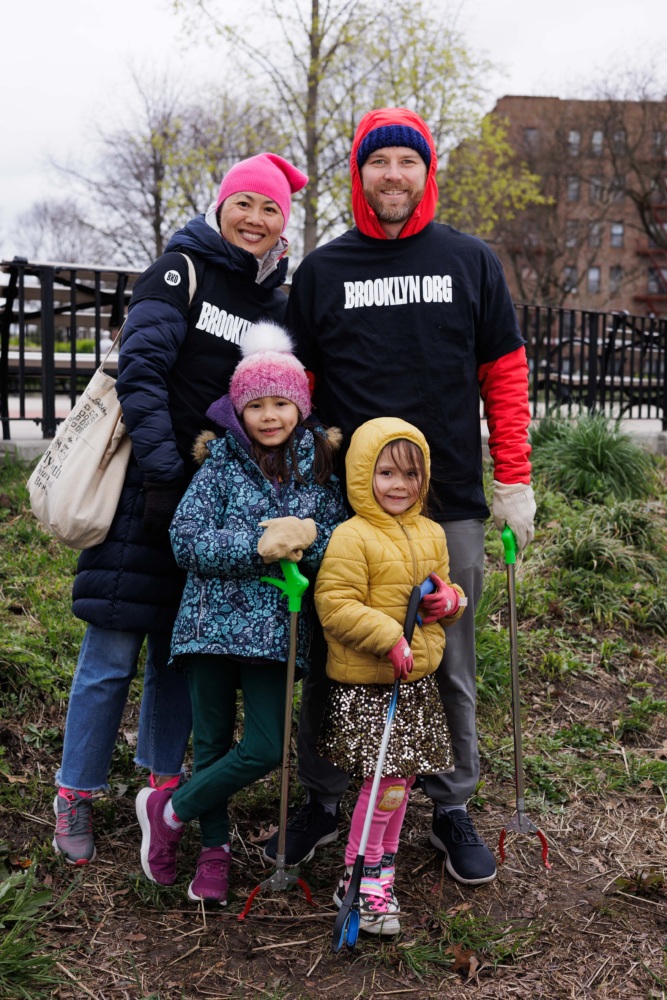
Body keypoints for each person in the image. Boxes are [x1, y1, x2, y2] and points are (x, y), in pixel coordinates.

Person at [263, 108, 536, 886]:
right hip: (344, 508)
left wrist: (511, 478)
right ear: (360, 172)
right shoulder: (321, 272)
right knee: (331, 651)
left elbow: (504, 376)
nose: (391, 175)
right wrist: (286, 487)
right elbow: (296, 392)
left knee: (446, 657)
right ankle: (323, 796)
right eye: (377, 161)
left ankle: (448, 805)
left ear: (426, 173)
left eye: (405, 162)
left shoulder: (469, 261)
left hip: (445, 500)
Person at [52, 154, 309, 866]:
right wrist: (164, 471)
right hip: (148, 489)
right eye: (245, 204)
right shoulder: (178, 270)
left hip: (215, 501)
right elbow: (142, 370)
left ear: (283, 224)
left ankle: (162, 789)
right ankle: (75, 791)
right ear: (221, 206)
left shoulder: (274, 300)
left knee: (177, 654)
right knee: (109, 651)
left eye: (271, 210)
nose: (255, 220)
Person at [134, 323, 347, 905]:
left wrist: (308, 537)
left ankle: (169, 808)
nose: (270, 415)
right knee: (211, 743)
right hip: (208, 625)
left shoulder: (321, 467)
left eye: (281, 403)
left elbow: (334, 540)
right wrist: (257, 546)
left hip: (278, 630)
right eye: (256, 405)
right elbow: (186, 539)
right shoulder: (220, 464)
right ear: (238, 408)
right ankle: (214, 851)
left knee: (263, 746)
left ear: (300, 405)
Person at [315, 417, 466, 935]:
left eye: (409, 474)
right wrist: (388, 637)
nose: (398, 485)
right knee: (382, 783)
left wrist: (451, 601)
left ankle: (382, 866)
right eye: (385, 473)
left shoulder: (431, 532)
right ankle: (358, 875)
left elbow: (443, 594)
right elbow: (334, 604)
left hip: (415, 683)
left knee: (398, 783)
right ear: (362, 474)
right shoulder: (352, 536)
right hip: (370, 684)